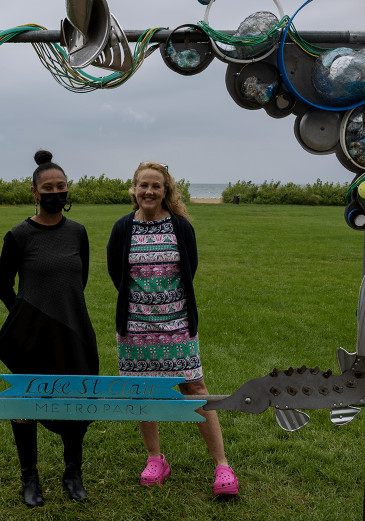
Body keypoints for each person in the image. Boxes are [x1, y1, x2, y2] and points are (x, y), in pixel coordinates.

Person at [106, 161, 239, 497]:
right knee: (143, 392)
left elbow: (189, 269)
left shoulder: (180, 226)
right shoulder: (123, 228)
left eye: (156, 186)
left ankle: (222, 465)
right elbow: (116, 273)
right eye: (143, 185)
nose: (149, 191)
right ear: (134, 189)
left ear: (166, 190)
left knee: (195, 388)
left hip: (178, 324)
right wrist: (142, 306)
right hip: (135, 327)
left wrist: (167, 306)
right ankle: (155, 459)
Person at [0, 150, 99, 507]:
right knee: (27, 403)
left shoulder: (78, 233)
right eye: (48, 187)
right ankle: (30, 478)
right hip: (32, 337)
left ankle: (73, 473)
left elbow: (79, 281)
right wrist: (27, 321)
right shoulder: (19, 235)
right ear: (35, 193)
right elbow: (3, 287)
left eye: (61, 186)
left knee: (79, 400)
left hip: (74, 330)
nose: (56, 192)